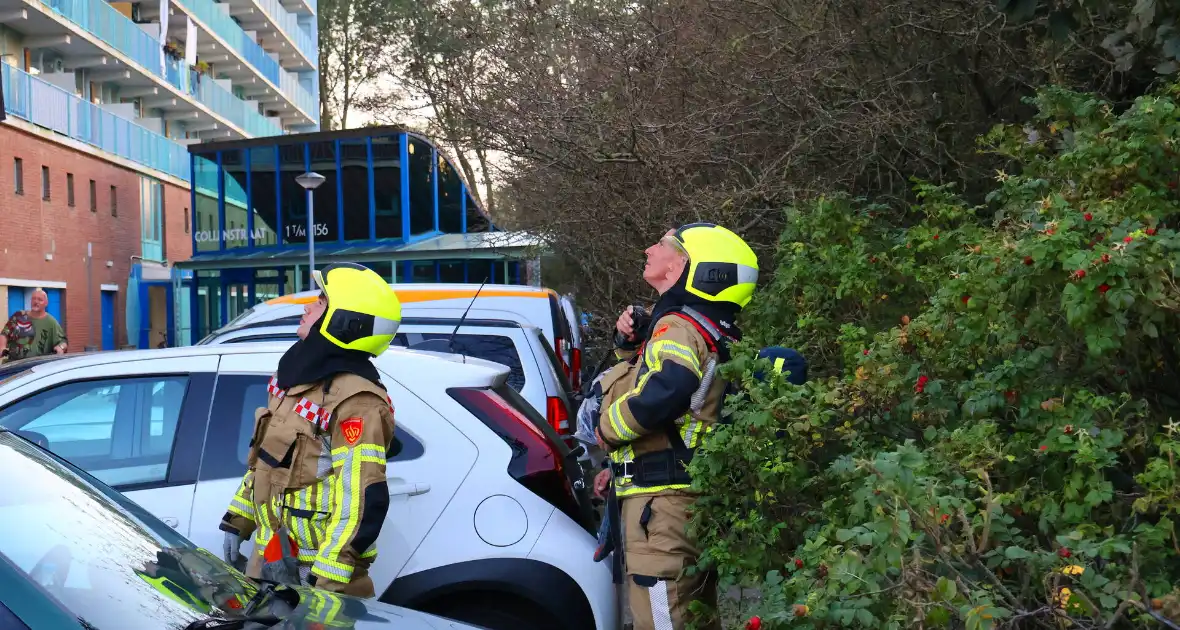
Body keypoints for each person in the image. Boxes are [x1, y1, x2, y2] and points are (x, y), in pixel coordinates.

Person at [593, 223, 758, 630]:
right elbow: (670, 399)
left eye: (664, 245)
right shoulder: (703, 328)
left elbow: (669, 388)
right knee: (692, 618)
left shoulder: (678, 328)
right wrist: (629, 345)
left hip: (662, 513)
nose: (649, 249)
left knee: (665, 620)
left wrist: (606, 433)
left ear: (691, 266)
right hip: (677, 505)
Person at [220, 263, 401, 598]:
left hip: (316, 578)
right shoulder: (295, 381)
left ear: (344, 321)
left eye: (320, 301)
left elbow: (360, 501)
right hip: (271, 564)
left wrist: (324, 583)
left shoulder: (357, 400)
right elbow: (265, 462)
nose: (307, 307)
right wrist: (238, 520)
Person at [0, 289, 67, 362]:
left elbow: (63, 341)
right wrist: (2, 347)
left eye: (40, 299)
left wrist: (61, 347)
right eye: (33, 299)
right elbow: (5, 333)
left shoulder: (51, 322)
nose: (36, 302)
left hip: (38, 367)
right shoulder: (19, 315)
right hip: (14, 364)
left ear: (46, 303)